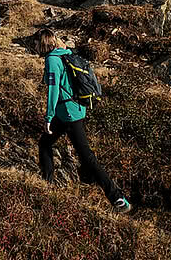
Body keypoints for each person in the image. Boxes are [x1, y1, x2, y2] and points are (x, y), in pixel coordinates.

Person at [35, 27, 132, 214]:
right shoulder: (64, 53)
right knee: (44, 143)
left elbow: (53, 91)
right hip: (71, 111)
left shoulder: (52, 60)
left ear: (43, 43)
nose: (34, 46)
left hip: (68, 115)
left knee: (87, 158)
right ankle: (46, 184)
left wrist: (48, 117)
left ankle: (118, 197)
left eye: (36, 43)